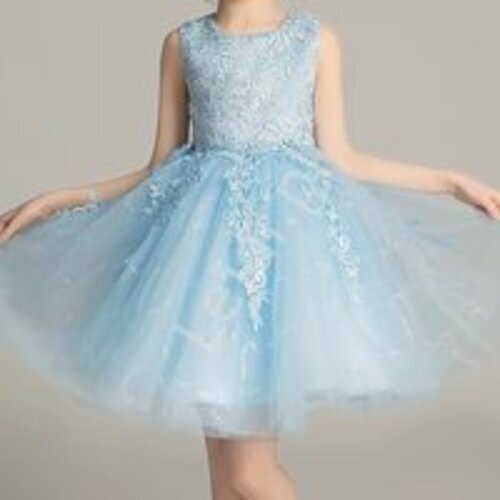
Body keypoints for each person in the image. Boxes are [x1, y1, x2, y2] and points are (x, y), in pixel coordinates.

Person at [1, 1, 500, 499]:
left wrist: (450, 183)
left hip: (283, 263)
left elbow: (343, 158)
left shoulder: (313, 41)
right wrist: (55, 201)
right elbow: (158, 169)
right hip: (204, 272)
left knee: (249, 477)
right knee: (227, 485)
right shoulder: (184, 44)